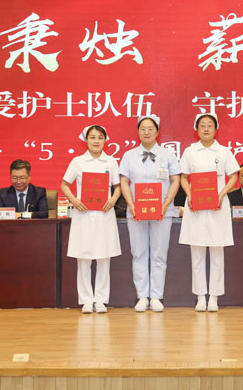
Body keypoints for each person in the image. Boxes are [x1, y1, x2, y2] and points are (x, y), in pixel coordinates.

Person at [119, 115, 181, 313]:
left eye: (150, 128)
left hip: (162, 211)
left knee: (159, 254)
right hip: (136, 211)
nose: (146, 132)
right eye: (142, 128)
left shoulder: (168, 155)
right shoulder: (129, 156)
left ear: (157, 131)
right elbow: (123, 182)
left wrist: (166, 204)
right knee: (138, 253)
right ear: (138, 132)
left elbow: (176, 180)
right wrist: (131, 204)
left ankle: (156, 296)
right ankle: (142, 296)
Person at [179, 113, 239, 312]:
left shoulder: (224, 151)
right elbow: (183, 177)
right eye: (202, 125)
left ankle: (214, 297)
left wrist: (222, 194)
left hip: (217, 206)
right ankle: (200, 297)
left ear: (216, 129)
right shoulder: (190, 151)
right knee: (196, 253)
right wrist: (190, 195)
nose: (206, 128)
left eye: (210, 125)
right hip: (195, 206)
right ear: (196, 129)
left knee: (217, 253)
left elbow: (234, 176)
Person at [60, 125, 122, 314]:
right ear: (86, 140)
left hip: (104, 214)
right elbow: (64, 185)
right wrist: (74, 201)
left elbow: (118, 187)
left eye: (100, 137)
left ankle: (101, 300)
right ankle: (87, 300)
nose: (96, 141)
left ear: (105, 140)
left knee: (104, 258)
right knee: (84, 259)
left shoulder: (111, 162)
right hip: (83, 214)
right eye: (92, 137)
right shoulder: (78, 162)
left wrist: (113, 199)